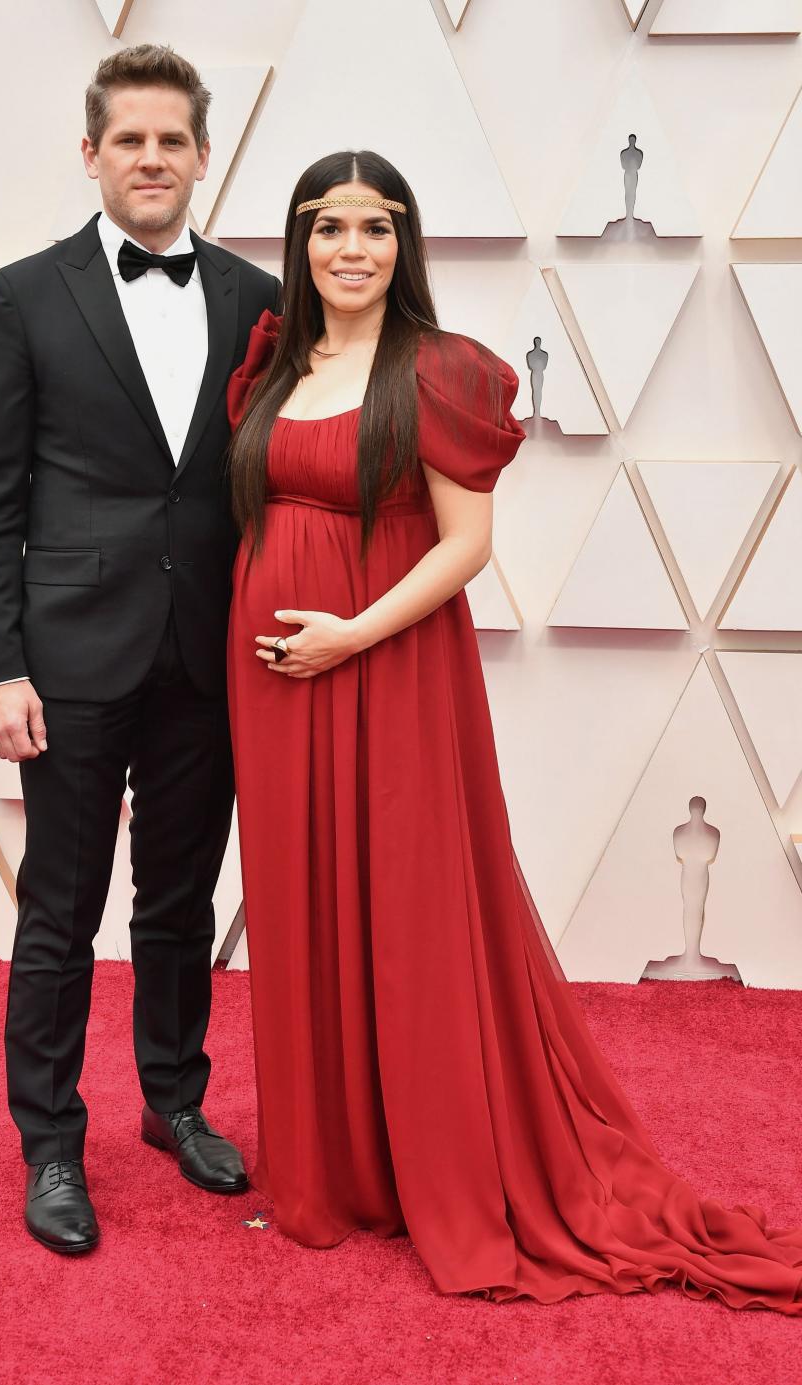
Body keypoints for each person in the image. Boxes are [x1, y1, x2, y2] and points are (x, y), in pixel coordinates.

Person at [225, 149, 802, 1309]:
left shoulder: (439, 370)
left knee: (407, 902)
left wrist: (351, 633)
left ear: (406, 241)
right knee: (303, 901)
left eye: (376, 227)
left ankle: (429, 1155)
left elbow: (465, 545)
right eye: (328, 225)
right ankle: (332, 1169)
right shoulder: (272, 364)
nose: (351, 248)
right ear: (299, 239)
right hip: (278, 687)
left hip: (389, 668)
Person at [0, 44, 280, 1254]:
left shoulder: (257, 298)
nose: (153, 159)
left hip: (206, 653)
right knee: (59, 908)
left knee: (181, 903)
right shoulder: (24, 295)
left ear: (203, 155)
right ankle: (50, 1143)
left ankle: (175, 1100)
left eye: (173, 140)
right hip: (69, 658)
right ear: (90, 154)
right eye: (129, 140)